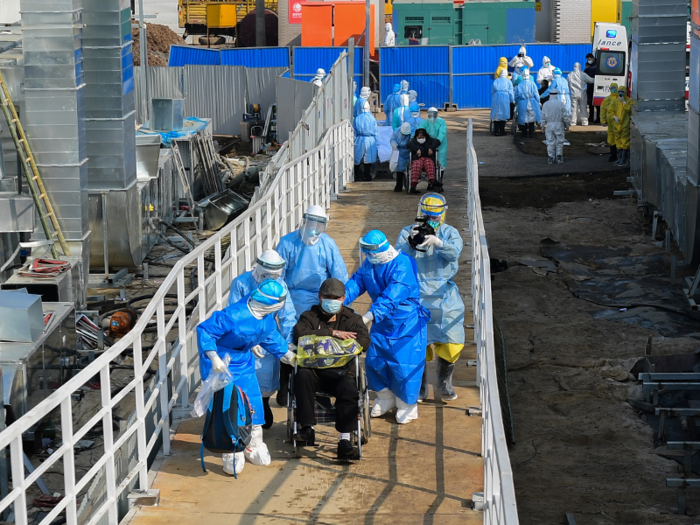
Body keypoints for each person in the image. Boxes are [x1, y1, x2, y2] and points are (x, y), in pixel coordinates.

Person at [197, 280, 297, 476]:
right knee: (229, 407)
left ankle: (254, 444)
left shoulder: (267, 319)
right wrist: (213, 356)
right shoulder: (233, 315)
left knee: (253, 402)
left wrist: (289, 356)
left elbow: (271, 338)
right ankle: (231, 451)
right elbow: (205, 330)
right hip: (221, 363)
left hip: (244, 362)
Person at [344, 230, 429, 424]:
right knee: (376, 361)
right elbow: (357, 282)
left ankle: (407, 405)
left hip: (406, 324)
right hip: (382, 323)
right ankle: (385, 397)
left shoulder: (402, 265)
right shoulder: (370, 264)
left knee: (403, 365)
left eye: (370, 252)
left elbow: (392, 295)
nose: (368, 256)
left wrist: (368, 316)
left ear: (381, 249)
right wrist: (339, 299)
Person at [275, 205, 349, 405]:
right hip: (290, 299)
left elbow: (339, 277)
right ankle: (284, 388)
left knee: (317, 342)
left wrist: (336, 303)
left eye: (320, 224)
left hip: (320, 300)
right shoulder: (287, 243)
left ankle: (316, 389)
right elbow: (277, 277)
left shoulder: (328, 245)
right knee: (290, 342)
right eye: (311, 223)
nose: (314, 228)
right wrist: (282, 302)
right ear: (304, 221)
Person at [395, 194, 464, 403]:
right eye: (427, 216)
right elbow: (398, 258)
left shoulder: (450, 233)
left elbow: (455, 254)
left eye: (435, 216)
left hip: (444, 293)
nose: (431, 221)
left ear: (443, 214)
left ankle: (445, 383)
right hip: (416, 293)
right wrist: (411, 242)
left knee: (452, 341)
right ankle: (421, 386)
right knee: (417, 343)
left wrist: (439, 243)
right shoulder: (408, 232)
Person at [292, 278, 371, 459]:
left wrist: (339, 345)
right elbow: (299, 335)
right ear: (320, 297)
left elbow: (364, 342)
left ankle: (344, 440)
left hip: (341, 372)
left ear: (343, 299)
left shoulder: (352, 318)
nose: (332, 301)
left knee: (350, 389)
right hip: (314, 372)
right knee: (301, 376)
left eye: (336, 298)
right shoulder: (309, 317)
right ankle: (306, 428)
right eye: (328, 297)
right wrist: (332, 334)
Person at [227, 250, 296, 429]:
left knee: (266, 373)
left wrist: (288, 342)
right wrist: (246, 340)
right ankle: (244, 408)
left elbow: (287, 314)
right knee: (244, 376)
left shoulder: (279, 286)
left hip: (267, 334)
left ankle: (263, 402)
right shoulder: (241, 283)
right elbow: (233, 315)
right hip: (242, 337)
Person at [541, 87, 571, 165]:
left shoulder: (545, 104)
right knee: (560, 141)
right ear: (557, 95)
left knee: (550, 141)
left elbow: (543, 116)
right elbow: (565, 115)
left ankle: (550, 157)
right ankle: (559, 156)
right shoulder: (560, 103)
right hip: (559, 124)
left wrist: (542, 125)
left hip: (549, 125)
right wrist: (567, 124)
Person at [407, 128, 441, 194]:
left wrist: (431, 148)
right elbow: (408, 145)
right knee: (417, 164)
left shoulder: (429, 141)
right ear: (416, 137)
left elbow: (438, 142)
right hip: (417, 159)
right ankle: (413, 186)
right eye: (419, 137)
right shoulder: (413, 141)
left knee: (429, 163)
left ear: (425, 136)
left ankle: (432, 180)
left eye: (423, 137)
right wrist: (416, 149)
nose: (421, 139)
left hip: (427, 158)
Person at [353, 100, 378, 182]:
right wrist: (377, 142)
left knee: (357, 158)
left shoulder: (357, 118)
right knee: (368, 159)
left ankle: (355, 175)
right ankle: (366, 175)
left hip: (359, 139)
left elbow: (354, 131)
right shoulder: (372, 118)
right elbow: (375, 131)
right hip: (370, 139)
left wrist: (353, 140)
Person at [418, 107, 447, 174]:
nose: (432, 117)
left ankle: (439, 179)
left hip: (440, 144)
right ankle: (431, 180)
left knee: (440, 161)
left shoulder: (441, 122)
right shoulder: (424, 122)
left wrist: (433, 146)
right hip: (427, 144)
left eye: (434, 115)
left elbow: (442, 134)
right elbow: (420, 131)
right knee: (429, 162)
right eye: (430, 115)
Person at [514, 68, 541, 139]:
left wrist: (516, 102)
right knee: (532, 118)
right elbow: (536, 93)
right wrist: (538, 101)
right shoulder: (532, 84)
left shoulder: (520, 84)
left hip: (523, 102)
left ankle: (524, 134)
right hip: (532, 103)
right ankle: (531, 134)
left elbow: (517, 95)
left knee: (524, 118)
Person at [612, 89, 636, 167]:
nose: (620, 93)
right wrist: (614, 116)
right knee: (618, 141)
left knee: (625, 141)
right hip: (617, 124)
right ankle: (620, 158)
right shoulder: (615, 101)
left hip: (625, 124)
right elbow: (610, 110)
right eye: (619, 92)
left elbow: (629, 110)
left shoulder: (629, 101)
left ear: (625, 92)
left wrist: (624, 102)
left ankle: (624, 159)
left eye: (622, 91)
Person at [600, 83, 621, 162]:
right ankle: (613, 154)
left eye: (614, 88)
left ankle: (622, 154)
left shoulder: (620, 98)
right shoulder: (607, 99)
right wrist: (603, 121)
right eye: (612, 88)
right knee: (611, 138)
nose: (613, 89)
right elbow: (603, 110)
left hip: (620, 122)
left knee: (621, 137)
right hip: (611, 122)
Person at [491, 69, 514, 136]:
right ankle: (502, 130)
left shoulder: (496, 81)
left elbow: (492, 91)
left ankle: (496, 131)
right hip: (505, 97)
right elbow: (511, 92)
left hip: (496, 97)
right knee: (503, 114)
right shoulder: (508, 81)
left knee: (496, 114)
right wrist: (512, 100)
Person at [391, 122, 412, 192]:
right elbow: (393, 139)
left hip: (409, 151)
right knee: (399, 169)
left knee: (410, 169)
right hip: (399, 151)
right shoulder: (397, 131)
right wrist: (394, 145)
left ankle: (408, 185)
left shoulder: (412, 131)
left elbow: (413, 140)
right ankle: (399, 185)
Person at [584, 53, 598, 123]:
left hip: (596, 86)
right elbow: (584, 75)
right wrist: (586, 69)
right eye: (587, 59)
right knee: (590, 103)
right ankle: (591, 118)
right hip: (590, 87)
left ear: (592, 58)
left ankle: (598, 118)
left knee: (598, 104)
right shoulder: (588, 65)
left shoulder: (597, 64)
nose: (588, 60)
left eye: (589, 59)